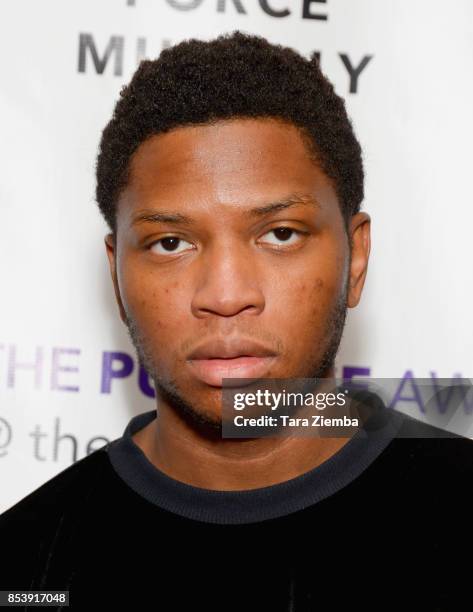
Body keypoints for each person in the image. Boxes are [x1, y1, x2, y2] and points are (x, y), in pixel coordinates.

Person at [0, 30, 471, 611]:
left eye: (279, 234)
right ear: (116, 274)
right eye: (170, 242)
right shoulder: (26, 565)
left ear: (356, 259)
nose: (225, 295)